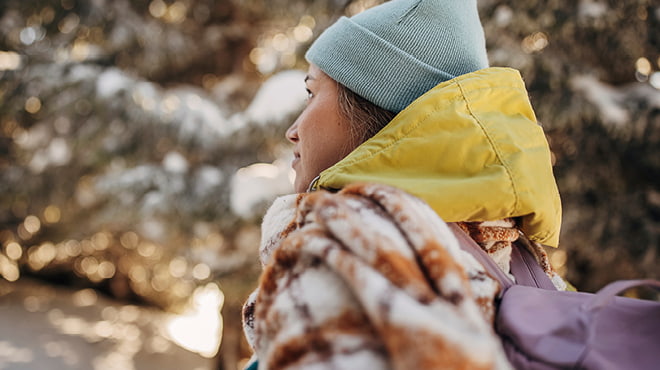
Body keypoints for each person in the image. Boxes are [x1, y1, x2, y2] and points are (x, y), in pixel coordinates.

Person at [242, 0, 565, 368]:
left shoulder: (348, 254)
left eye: (312, 93)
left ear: (370, 110)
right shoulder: (520, 261)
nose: (293, 131)